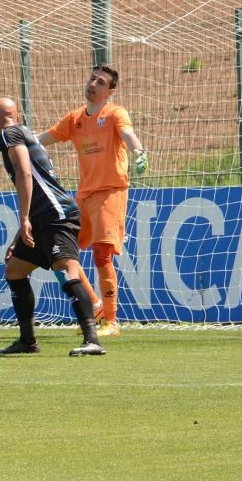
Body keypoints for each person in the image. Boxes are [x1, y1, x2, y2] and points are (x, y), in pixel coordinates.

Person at [0, 97, 105, 356]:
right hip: (43, 216)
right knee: (15, 270)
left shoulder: (9, 133)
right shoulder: (23, 131)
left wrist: (24, 219)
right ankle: (27, 341)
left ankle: (92, 339)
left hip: (55, 215)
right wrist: (21, 231)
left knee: (67, 271)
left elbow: (24, 172)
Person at [37, 64, 147, 338]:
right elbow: (41, 140)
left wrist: (139, 151)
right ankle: (95, 306)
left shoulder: (115, 113)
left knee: (101, 254)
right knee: (64, 252)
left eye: (100, 82)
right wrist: (6, 143)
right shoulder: (74, 119)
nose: (93, 84)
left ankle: (111, 320)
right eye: (92, 79)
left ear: (110, 91)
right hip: (84, 196)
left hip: (110, 192)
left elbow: (128, 134)